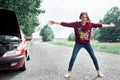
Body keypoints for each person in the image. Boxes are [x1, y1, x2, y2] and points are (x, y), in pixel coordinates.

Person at [48, 12, 115, 78]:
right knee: (73, 57)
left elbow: (100, 25)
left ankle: (99, 71)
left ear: (87, 18)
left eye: (85, 17)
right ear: (80, 18)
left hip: (87, 44)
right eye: (83, 17)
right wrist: (55, 22)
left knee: (93, 57)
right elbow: (65, 24)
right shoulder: (76, 24)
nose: (84, 18)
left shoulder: (90, 24)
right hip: (78, 44)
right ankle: (68, 72)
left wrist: (109, 25)